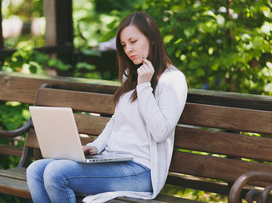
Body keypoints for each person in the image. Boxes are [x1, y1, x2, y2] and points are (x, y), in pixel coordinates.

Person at [26, 12, 188, 203]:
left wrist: (144, 87)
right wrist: (96, 146)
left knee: (56, 173)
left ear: (151, 39)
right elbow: (116, 120)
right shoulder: (131, 75)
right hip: (113, 159)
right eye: (123, 45)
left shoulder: (172, 80)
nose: (128, 49)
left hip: (141, 170)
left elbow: (161, 132)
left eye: (133, 41)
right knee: (35, 170)